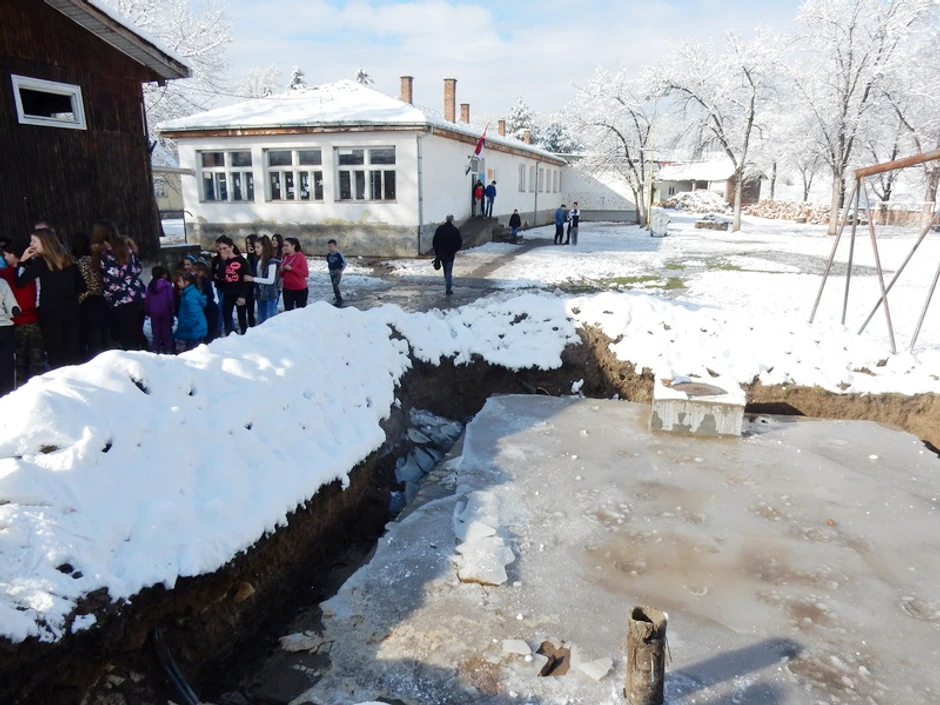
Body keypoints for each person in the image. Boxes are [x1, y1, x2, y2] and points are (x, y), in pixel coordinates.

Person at [15, 228, 85, 368]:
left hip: (50, 312)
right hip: (71, 309)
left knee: (55, 350)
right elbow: (82, 286)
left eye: (34, 241)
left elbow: (20, 282)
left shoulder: (41, 263)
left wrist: (22, 261)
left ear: (44, 243)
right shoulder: (69, 260)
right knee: (73, 347)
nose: (31, 244)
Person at [97, 222, 146, 350]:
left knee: (126, 337)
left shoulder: (107, 254)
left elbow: (113, 282)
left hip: (121, 299)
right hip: (137, 294)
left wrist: (105, 295)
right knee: (135, 333)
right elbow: (138, 268)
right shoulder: (128, 248)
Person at [0, 245, 43, 384]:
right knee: (37, 359)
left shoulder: (4, 275)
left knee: (17, 361)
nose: (4, 258)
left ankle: (18, 388)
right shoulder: (32, 272)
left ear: (13, 254)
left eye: (6, 254)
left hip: (16, 322)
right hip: (33, 318)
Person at [72, 232, 109, 359]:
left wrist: (78, 300)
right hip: (100, 299)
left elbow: (85, 285)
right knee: (103, 333)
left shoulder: (80, 262)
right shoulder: (96, 259)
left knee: (93, 336)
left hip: (87, 301)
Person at [212, 236, 251, 335]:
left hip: (239, 291)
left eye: (225, 248)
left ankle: (244, 335)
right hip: (228, 292)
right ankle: (230, 336)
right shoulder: (221, 260)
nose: (223, 251)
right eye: (220, 249)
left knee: (242, 317)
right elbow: (221, 276)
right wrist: (223, 261)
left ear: (231, 247)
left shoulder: (241, 260)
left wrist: (243, 295)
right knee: (227, 317)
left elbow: (246, 279)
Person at [244, 235, 280, 323]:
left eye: (258, 247)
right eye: (255, 247)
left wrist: (253, 279)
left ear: (264, 247)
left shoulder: (271, 261)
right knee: (261, 321)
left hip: (270, 296)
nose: (255, 249)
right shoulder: (259, 260)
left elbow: (270, 280)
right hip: (260, 295)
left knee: (269, 321)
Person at [144, 266, 175, 353]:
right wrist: (172, 309)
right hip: (165, 311)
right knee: (166, 331)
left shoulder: (150, 286)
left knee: (155, 332)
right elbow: (170, 299)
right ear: (164, 275)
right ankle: (168, 349)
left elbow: (147, 299)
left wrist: (147, 310)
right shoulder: (167, 285)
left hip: (154, 312)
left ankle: (155, 348)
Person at [174, 272, 207, 350]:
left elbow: (194, 314)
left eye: (180, 281)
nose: (178, 283)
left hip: (193, 329)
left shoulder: (190, 296)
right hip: (193, 329)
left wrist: (186, 325)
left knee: (193, 352)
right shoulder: (187, 293)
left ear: (187, 282)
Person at [432, 215, 462, 296]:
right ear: (452, 220)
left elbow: (435, 241)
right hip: (450, 253)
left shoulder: (440, 229)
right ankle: (448, 289)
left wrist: (437, 251)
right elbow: (459, 243)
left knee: (445, 270)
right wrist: (454, 250)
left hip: (441, 253)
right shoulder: (455, 230)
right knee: (449, 271)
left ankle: (447, 285)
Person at [0, 277, 20, 395]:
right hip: (4, 329)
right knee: (6, 366)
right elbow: (13, 309)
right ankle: (6, 397)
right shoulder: (2, 282)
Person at [280, 237, 309, 310]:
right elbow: (281, 275)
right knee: (288, 311)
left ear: (293, 246)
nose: (285, 248)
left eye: (287, 246)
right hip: (287, 289)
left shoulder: (300, 256)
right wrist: (281, 269)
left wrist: (292, 269)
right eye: (284, 246)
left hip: (300, 289)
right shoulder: (284, 257)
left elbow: (305, 273)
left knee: (301, 311)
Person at [193, 261, 219, 342]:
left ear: (200, 272)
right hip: (207, 308)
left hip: (209, 309)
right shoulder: (202, 281)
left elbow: (209, 295)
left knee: (210, 331)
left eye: (194, 270)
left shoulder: (203, 281)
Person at [326, 239, 347, 306]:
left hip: (337, 272)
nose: (329, 248)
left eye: (331, 246)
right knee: (334, 286)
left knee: (335, 285)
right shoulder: (328, 255)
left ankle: (339, 299)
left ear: (335, 246)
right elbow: (329, 262)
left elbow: (344, 263)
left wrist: (341, 271)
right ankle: (337, 297)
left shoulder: (339, 254)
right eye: (329, 246)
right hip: (331, 272)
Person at [243, 234, 258, 328]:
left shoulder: (256, 255)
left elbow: (254, 268)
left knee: (251, 306)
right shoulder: (249, 255)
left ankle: (252, 323)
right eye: (247, 243)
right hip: (247, 283)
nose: (248, 245)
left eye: (250, 243)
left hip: (254, 282)